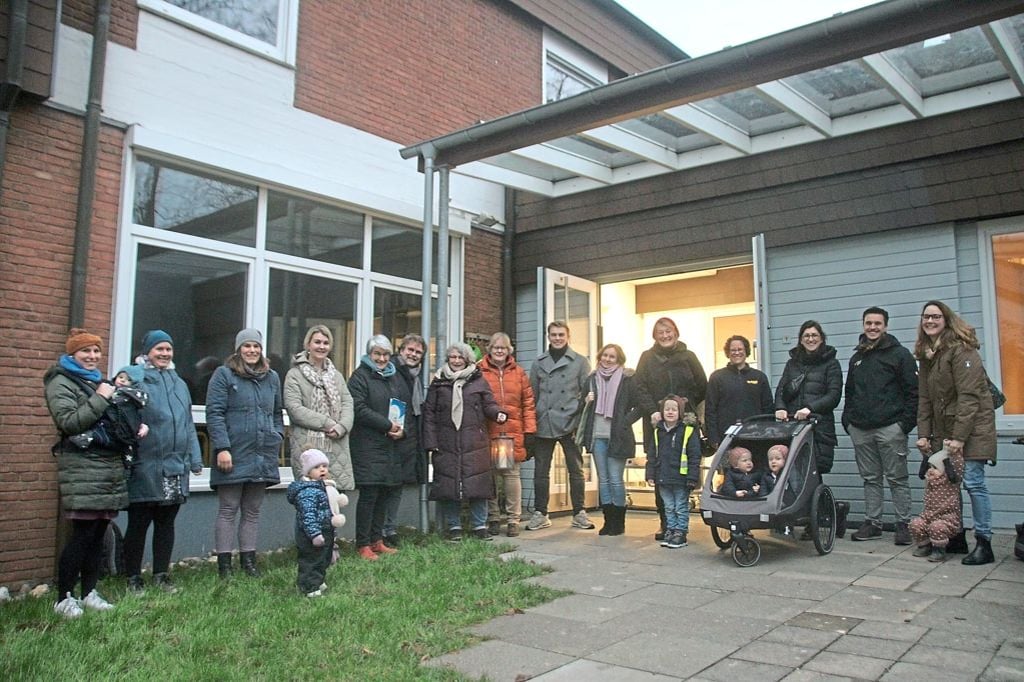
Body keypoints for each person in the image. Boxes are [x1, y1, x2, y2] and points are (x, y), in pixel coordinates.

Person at [44, 328, 128, 618]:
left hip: (106, 467)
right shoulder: (60, 381)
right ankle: (64, 597)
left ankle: (90, 592)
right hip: (82, 468)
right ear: (72, 354)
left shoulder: (93, 381)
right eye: (85, 352)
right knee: (81, 535)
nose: (92, 356)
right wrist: (103, 397)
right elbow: (68, 422)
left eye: (96, 351)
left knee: (98, 534)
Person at [913, 300, 998, 565]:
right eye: (926, 316)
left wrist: (960, 437)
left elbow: (969, 397)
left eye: (936, 316)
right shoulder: (927, 353)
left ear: (946, 320)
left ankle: (984, 542)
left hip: (973, 428)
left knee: (973, 482)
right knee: (951, 484)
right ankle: (956, 537)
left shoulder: (962, 350)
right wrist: (924, 434)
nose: (930, 321)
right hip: (947, 430)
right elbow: (925, 398)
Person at [124, 330, 203, 594]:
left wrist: (195, 458)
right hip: (146, 464)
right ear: (147, 351)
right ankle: (133, 577)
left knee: (166, 523)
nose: (164, 354)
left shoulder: (179, 382)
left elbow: (187, 423)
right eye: (159, 349)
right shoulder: (136, 379)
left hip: (174, 467)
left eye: (168, 349)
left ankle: (161, 574)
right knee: (139, 523)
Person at [206, 328, 284, 578]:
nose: (252, 351)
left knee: (252, 510)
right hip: (233, 452)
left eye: (256, 346)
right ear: (238, 349)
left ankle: (249, 562)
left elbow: (276, 413)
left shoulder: (272, 377)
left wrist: (277, 435)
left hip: (263, 453)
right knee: (228, 508)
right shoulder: (224, 375)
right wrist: (222, 447)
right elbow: (214, 413)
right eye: (247, 346)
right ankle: (225, 566)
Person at [842, 306, 918, 545]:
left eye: (877, 323)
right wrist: (848, 422)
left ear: (885, 326)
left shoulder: (900, 355)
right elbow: (850, 392)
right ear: (863, 325)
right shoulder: (857, 358)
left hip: (890, 429)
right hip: (861, 429)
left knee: (897, 478)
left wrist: (903, 425)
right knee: (870, 478)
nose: (872, 327)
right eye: (868, 323)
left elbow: (913, 392)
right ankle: (873, 523)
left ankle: (903, 525)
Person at [424, 342, 507, 541]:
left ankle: (480, 525)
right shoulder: (438, 382)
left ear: (467, 360)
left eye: (460, 357)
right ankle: (454, 527)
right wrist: (430, 441)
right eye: (453, 357)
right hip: (446, 441)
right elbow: (429, 413)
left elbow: (489, 403)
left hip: (474, 441)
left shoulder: (478, 381)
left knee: (478, 484)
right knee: (449, 485)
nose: (456, 361)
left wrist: (498, 414)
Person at [635, 316, 707, 540]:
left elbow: (702, 386)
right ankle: (665, 523)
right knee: (661, 472)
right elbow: (639, 388)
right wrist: (652, 411)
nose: (665, 336)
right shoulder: (647, 358)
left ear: (676, 333)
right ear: (655, 337)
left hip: (684, 425)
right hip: (658, 425)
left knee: (683, 471)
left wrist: (687, 407)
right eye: (660, 333)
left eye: (668, 332)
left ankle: (681, 523)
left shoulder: (689, 357)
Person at [577, 343, 652, 536]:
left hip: (617, 436)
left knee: (616, 480)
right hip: (596, 436)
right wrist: (586, 401)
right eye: (605, 355)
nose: (608, 359)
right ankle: (608, 522)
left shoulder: (628, 378)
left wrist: (625, 421)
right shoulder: (592, 379)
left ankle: (619, 523)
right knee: (603, 480)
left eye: (612, 357)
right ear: (600, 357)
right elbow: (580, 405)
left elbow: (642, 405)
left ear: (619, 360)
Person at [347, 335, 411, 560]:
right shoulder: (360, 377)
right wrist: (386, 425)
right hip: (368, 446)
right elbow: (358, 408)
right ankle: (362, 543)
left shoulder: (394, 378)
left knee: (384, 493)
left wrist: (402, 430)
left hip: (390, 446)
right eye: (377, 354)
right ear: (369, 355)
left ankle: (377, 540)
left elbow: (403, 407)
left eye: (385, 354)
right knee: (369, 496)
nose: (382, 358)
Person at [526, 321, 593, 531]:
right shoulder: (538, 363)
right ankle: (541, 513)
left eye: (561, 334)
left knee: (576, 470)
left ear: (568, 336)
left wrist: (579, 425)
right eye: (553, 335)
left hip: (570, 422)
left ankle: (579, 513)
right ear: (548, 337)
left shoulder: (581, 362)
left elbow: (585, 396)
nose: (557, 338)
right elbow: (532, 395)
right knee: (541, 471)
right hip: (544, 422)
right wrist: (532, 421)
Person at [479, 332, 537, 538]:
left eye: (503, 347)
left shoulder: (519, 373)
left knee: (511, 476)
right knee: (491, 477)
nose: (499, 350)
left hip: (512, 431)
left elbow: (528, 404)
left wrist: (529, 431)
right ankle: (493, 518)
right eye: (496, 347)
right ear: (490, 348)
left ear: (509, 350)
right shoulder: (479, 370)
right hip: (488, 431)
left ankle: (513, 520)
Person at [284, 325, 355, 490]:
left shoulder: (336, 376)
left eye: (325, 342)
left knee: (335, 503)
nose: (321, 346)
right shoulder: (295, 374)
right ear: (308, 345)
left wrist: (342, 426)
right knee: (310, 503)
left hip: (336, 445)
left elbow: (347, 402)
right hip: (308, 445)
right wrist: (328, 423)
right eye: (317, 342)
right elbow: (294, 408)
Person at [773, 321, 843, 475]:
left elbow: (833, 395)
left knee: (813, 473)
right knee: (790, 472)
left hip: (818, 429)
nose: (811, 339)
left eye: (814, 335)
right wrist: (780, 407)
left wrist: (810, 409)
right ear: (801, 339)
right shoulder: (792, 364)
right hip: (792, 427)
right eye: (807, 336)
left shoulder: (831, 364)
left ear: (822, 338)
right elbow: (781, 390)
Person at [383, 333, 427, 547]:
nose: (414, 354)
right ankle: (382, 531)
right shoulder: (392, 371)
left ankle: (389, 529)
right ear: (400, 350)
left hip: (405, 439)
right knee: (386, 488)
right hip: (390, 437)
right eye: (410, 350)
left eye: (418, 352)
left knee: (396, 487)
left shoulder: (415, 376)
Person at [287, 448, 348, 597]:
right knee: (311, 559)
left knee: (323, 558)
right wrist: (314, 534)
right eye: (316, 467)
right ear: (307, 472)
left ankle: (318, 580)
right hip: (311, 533)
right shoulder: (307, 491)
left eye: (324, 466)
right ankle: (309, 587)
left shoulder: (324, 487)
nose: (322, 470)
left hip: (326, 529)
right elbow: (308, 515)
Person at [645, 395, 701, 548]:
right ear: (662, 412)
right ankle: (670, 530)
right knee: (668, 506)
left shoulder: (688, 431)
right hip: (663, 477)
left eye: (674, 409)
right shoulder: (658, 432)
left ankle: (681, 532)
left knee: (680, 506)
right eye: (667, 409)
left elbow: (694, 456)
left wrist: (692, 477)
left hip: (681, 478)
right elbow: (652, 455)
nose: (670, 412)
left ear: (680, 412)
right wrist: (650, 474)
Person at [67, 365, 149, 466]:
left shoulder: (130, 396)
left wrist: (142, 425)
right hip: (111, 421)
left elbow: (135, 415)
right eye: (121, 377)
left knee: (105, 432)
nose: (122, 381)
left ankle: (88, 438)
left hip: (118, 425)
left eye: (128, 380)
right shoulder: (109, 387)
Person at [705, 335, 773, 449]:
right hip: (726, 438)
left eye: (740, 349)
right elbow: (710, 410)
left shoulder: (759, 377)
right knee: (727, 467)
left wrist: (767, 433)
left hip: (755, 437)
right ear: (728, 353)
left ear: (746, 351)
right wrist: (713, 438)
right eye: (733, 350)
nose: (737, 353)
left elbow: (768, 408)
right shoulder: (717, 377)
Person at [909, 449, 964, 563]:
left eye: (935, 468)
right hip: (928, 516)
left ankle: (939, 549)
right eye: (930, 467)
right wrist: (926, 455)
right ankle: (925, 545)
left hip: (947, 518)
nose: (931, 470)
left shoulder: (951, 482)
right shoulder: (930, 481)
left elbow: (958, 467)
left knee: (936, 527)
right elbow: (921, 473)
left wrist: (954, 453)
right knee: (915, 524)